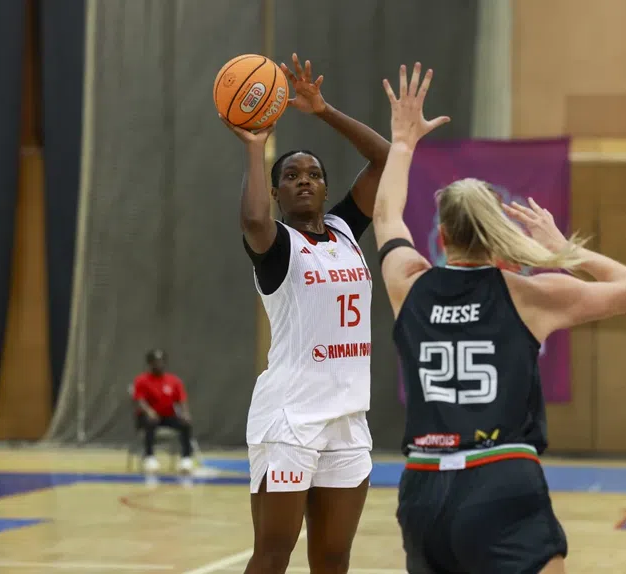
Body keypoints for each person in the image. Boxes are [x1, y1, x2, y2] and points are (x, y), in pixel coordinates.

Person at [372, 63, 626, 574]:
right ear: (496, 234)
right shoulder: (529, 295)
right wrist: (567, 250)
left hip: (422, 485)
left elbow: (386, 214)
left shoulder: (407, 283)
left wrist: (404, 142)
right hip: (499, 477)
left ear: (442, 237)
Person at [219, 53, 389, 574]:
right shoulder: (277, 246)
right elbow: (253, 220)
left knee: (333, 558)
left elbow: (384, 159)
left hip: (347, 419)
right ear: (275, 192)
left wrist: (323, 111)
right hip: (290, 420)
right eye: (290, 176)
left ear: (326, 187)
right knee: (274, 553)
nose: (304, 180)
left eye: (314, 174)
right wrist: (255, 145)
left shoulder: (343, 230)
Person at [132, 349, 195, 474]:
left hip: (167, 416)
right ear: (150, 364)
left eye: (161, 362)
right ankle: (150, 458)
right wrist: (149, 411)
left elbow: (181, 400)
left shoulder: (174, 380)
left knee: (185, 424)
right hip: (147, 416)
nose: (158, 365)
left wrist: (185, 414)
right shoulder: (141, 380)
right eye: (155, 362)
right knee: (150, 422)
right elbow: (139, 400)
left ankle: (186, 459)